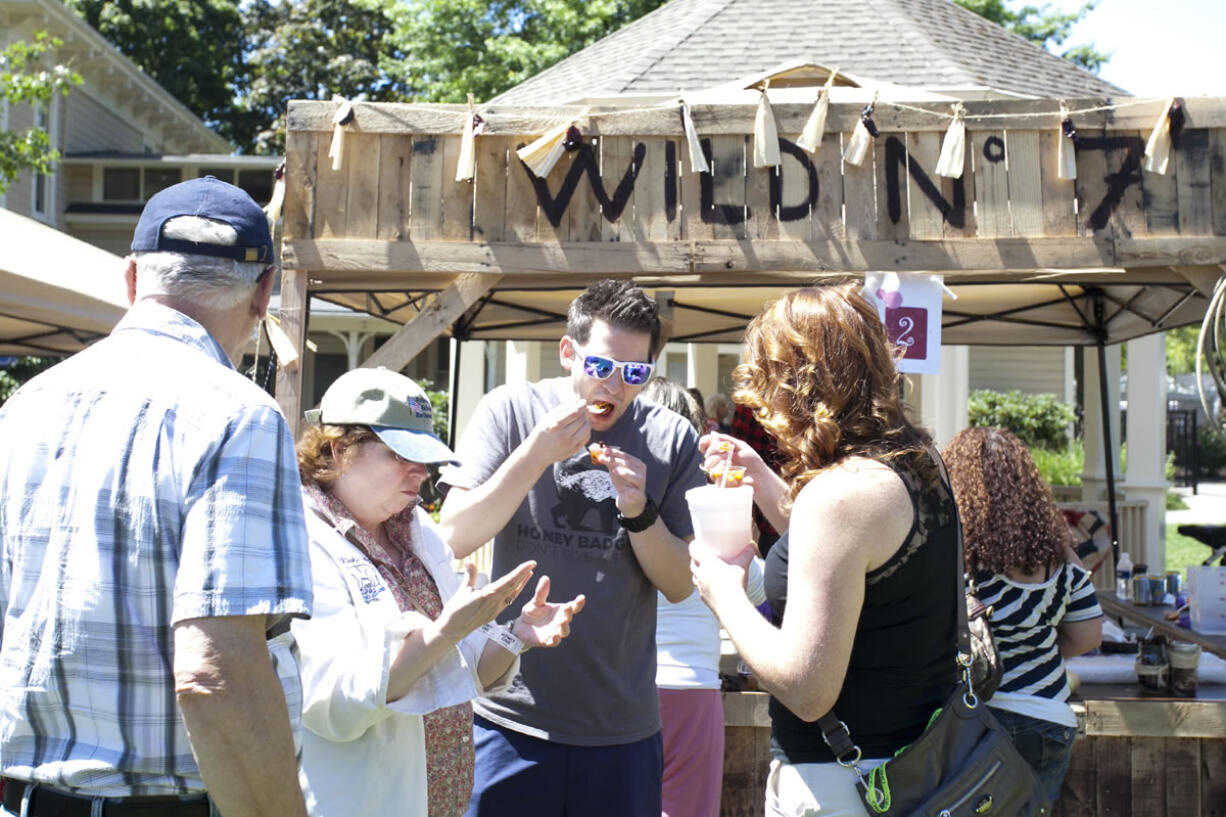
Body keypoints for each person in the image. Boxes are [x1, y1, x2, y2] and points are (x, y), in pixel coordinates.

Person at [0, 176, 312, 817]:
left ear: (131, 279)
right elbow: (211, 674)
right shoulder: (240, 417)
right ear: (263, 294)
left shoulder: (25, 406)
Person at [437, 279, 706, 817]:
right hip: (507, 717)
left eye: (635, 373)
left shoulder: (670, 438)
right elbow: (455, 534)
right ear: (568, 352)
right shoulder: (510, 412)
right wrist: (535, 454)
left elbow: (679, 585)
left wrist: (640, 511)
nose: (616, 386)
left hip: (621, 732)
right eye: (602, 367)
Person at [689, 282, 959, 817]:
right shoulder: (920, 464)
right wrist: (763, 478)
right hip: (921, 771)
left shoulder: (839, 496)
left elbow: (808, 690)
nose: (762, 404)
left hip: (846, 785)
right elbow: (853, 558)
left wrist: (724, 596)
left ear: (794, 385)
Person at [292, 367, 585, 817]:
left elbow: (475, 673)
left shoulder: (415, 528)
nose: (420, 473)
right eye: (398, 454)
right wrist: (443, 634)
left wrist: (516, 635)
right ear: (336, 449)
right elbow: (335, 707)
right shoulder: (303, 538)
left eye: (423, 457)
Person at [942, 426, 1103, 802]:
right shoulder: (1058, 563)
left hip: (976, 718)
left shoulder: (957, 562)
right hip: (1048, 720)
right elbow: (1088, 636)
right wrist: (1031, 644)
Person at [641, 377, 766, 817]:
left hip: (618, 687)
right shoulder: (713, 505)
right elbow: (758, 587)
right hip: (691, 687)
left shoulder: (618, 499)